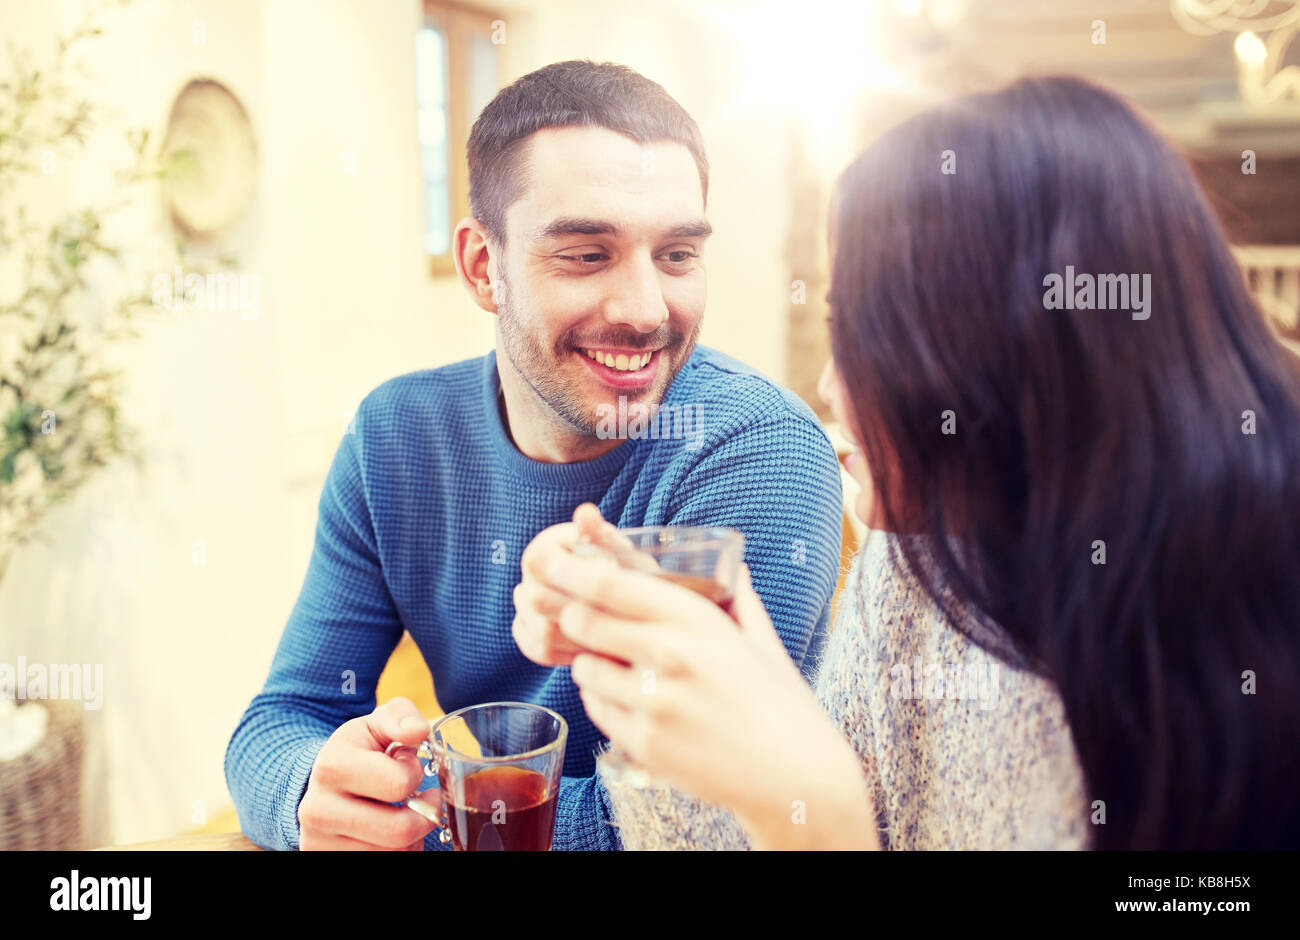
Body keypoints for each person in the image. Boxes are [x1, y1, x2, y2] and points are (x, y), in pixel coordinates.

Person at [526, 75, 1300, 850]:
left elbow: (828, 817)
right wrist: (700, 678)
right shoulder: (918, 557)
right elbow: (782, 810)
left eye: (862, 337)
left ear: (1001, 358)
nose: (830, 386)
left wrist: (825, 826)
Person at [223, 60, 844, 851]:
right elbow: (281, 720)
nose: (647, 310)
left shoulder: (759, 450)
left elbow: (691, 819)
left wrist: (424, 812)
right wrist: (313, 790)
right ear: (486, 268)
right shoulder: (391, 438)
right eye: (587, 255)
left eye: (678, 255)